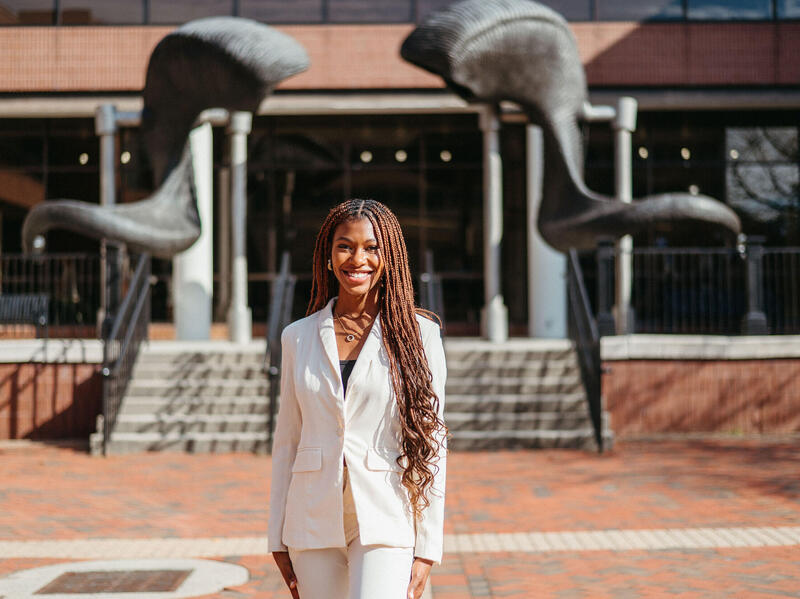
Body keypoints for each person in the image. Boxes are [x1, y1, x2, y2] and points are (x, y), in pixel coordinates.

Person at [269, 199, 448, 599]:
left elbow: (434, 444)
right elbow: (288, 442)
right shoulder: (297, 336)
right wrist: (277, 537)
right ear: (329, 257)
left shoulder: (420, 336)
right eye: (345, 246)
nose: (358, 258)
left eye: (372, 247)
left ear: (389, 257)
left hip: (386, 512)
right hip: (312, 517)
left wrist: (427, 548)